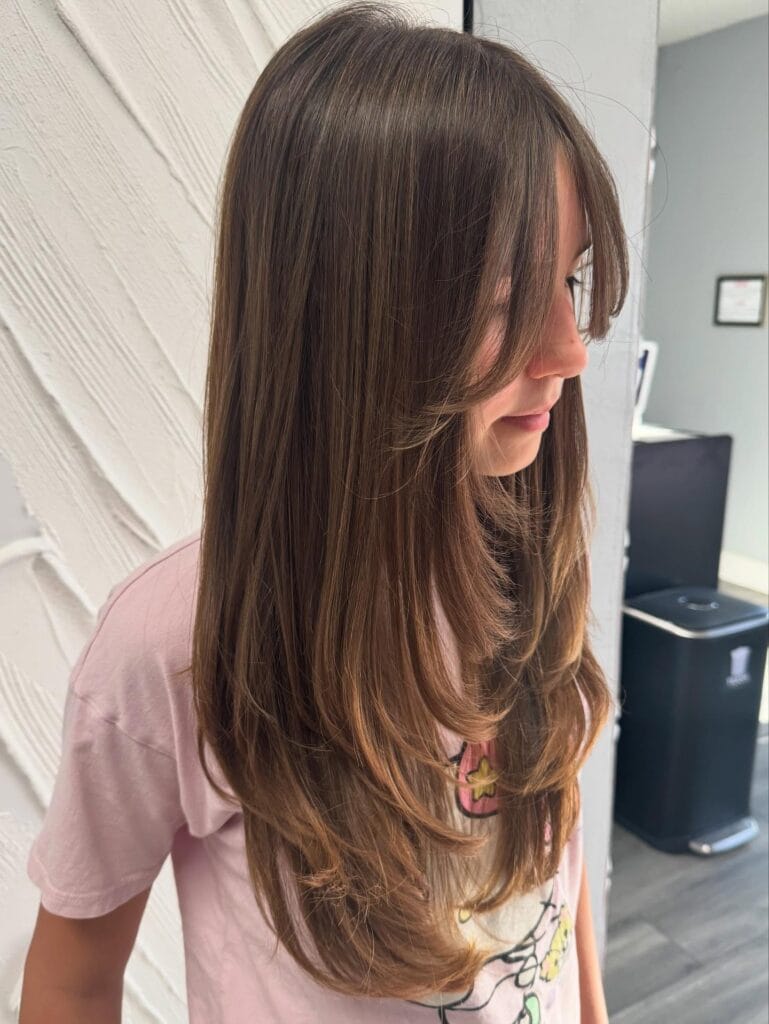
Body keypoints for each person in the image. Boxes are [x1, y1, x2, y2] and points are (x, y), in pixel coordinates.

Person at [19, 2, 628, 1022]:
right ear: (344, 307)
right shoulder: (173, 648)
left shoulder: (521, 557)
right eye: (502, 294)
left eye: (569, 281)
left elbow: (553, 877)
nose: (569, 349)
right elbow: (73, 978)